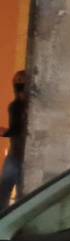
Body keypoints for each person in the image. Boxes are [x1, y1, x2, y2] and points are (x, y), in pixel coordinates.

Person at [0, 72, 26, 208]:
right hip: (15, 152)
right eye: (18, 81)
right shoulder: (15, 106)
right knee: (5, 188)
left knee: (22, 191)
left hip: (24, 154)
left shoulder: (30, 107)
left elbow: (17, 129)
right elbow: (17, 129)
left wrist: (6, 132)